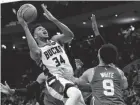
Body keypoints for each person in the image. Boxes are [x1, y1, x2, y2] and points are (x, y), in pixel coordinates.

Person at [16, 3, 85, 105]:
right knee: (76, 94)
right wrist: (25, 27)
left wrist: (53, 19)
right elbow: (34, 50)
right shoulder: (37, 51)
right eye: (39, 29)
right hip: (55, 81)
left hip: (69, 79)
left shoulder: (55, 40)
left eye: (43, 28)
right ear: (35, 36)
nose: (43, 29)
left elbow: (70, 35)